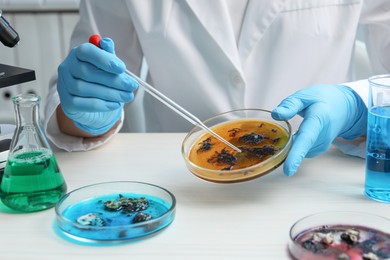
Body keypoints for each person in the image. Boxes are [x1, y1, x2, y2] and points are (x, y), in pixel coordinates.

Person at [44, 0, 390, 176]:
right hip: (181, 185)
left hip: (314, 176)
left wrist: (358, 104)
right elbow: (92, 74)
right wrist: (85, 114)